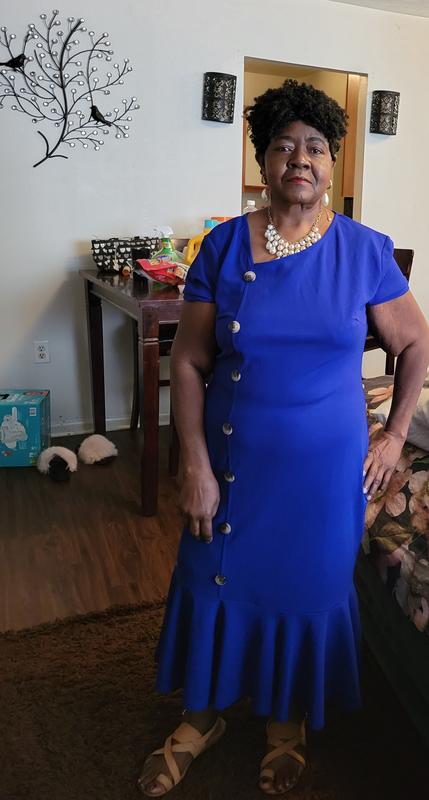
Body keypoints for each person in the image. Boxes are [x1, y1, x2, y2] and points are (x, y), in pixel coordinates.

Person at [138, 79, 429, 797]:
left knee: (302, 592)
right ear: (263, 161)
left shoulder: (365, 250)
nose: (299, 158)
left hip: (323, 477)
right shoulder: (222, 246)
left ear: (331, 164)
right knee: (212, 582)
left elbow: (416, 343)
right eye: (283, 146)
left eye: (315, 147)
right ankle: (201, 717)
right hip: (232, 464)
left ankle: (284, 726)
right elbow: (189, 359)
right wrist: (195, 465)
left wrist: (395, 434)